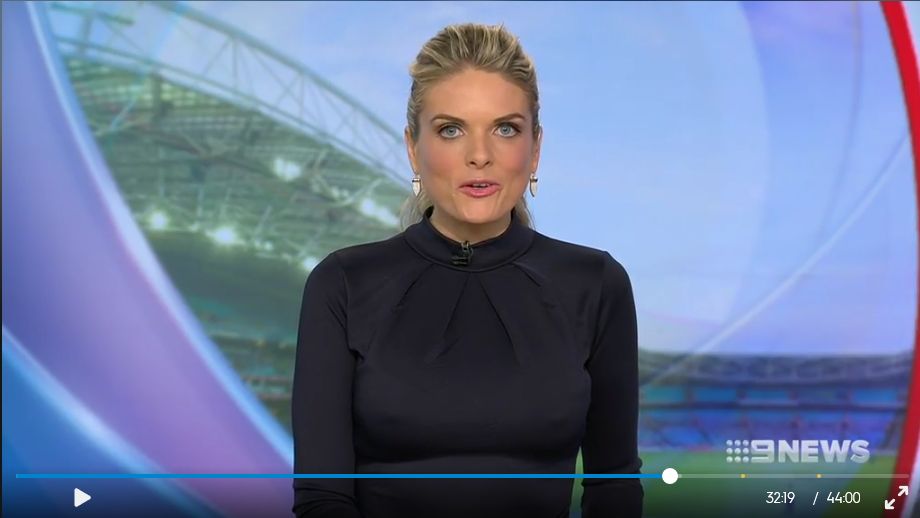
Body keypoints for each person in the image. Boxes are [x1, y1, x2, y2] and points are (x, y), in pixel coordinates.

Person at [292, 22, 643, 518]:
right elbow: (322, 498)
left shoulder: (596, 284)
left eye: (505, 129)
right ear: (413, 148)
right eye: (451, 130)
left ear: (535, 149)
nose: (480, 156)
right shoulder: (343, 284)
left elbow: (614, 487)